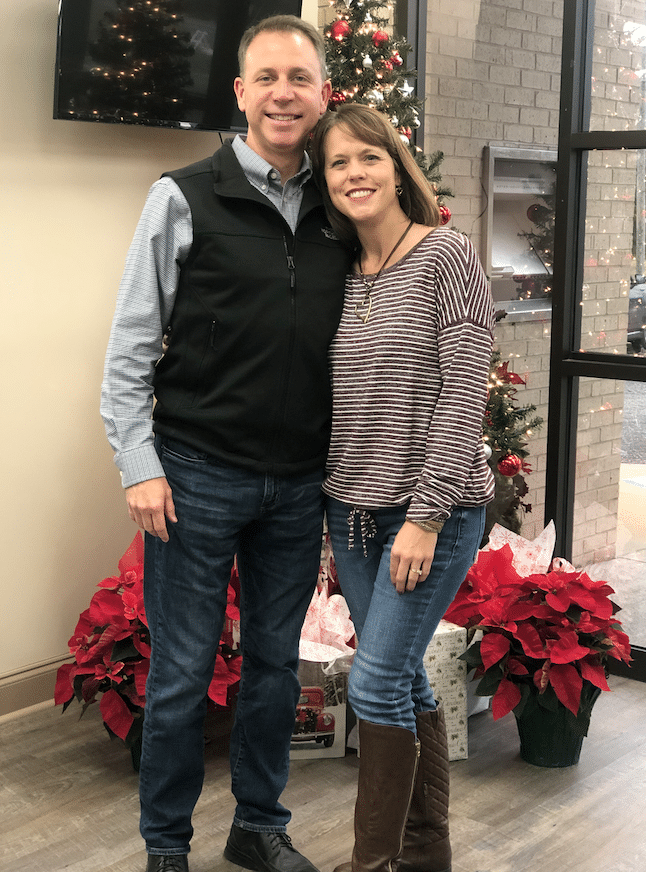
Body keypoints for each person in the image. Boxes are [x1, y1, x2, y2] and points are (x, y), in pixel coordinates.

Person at [100, 16, 350, 872]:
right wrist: (139, 465)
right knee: (179, 674)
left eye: (301, 78)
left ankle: (258, 827)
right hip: (195, 477)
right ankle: (166, 846)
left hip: (298, 485)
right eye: (267, 78)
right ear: (241, 93)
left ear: (323, 94)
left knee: (277, 669)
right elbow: (131, 346)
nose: (284, 93)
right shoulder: (182, 196)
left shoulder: (341, 206)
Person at [310, 103, 495, 872]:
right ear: (325, 181)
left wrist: (425, 516)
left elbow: (464, 392)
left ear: (396, 166)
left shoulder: (446, 254)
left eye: (369, 157)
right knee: (404, 678)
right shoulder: (337, 273)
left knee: (376, 682)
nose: (355, 173)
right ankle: (424, 854)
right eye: (338, 163)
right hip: (351, 516)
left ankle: (372, 865)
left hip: (432, 515)